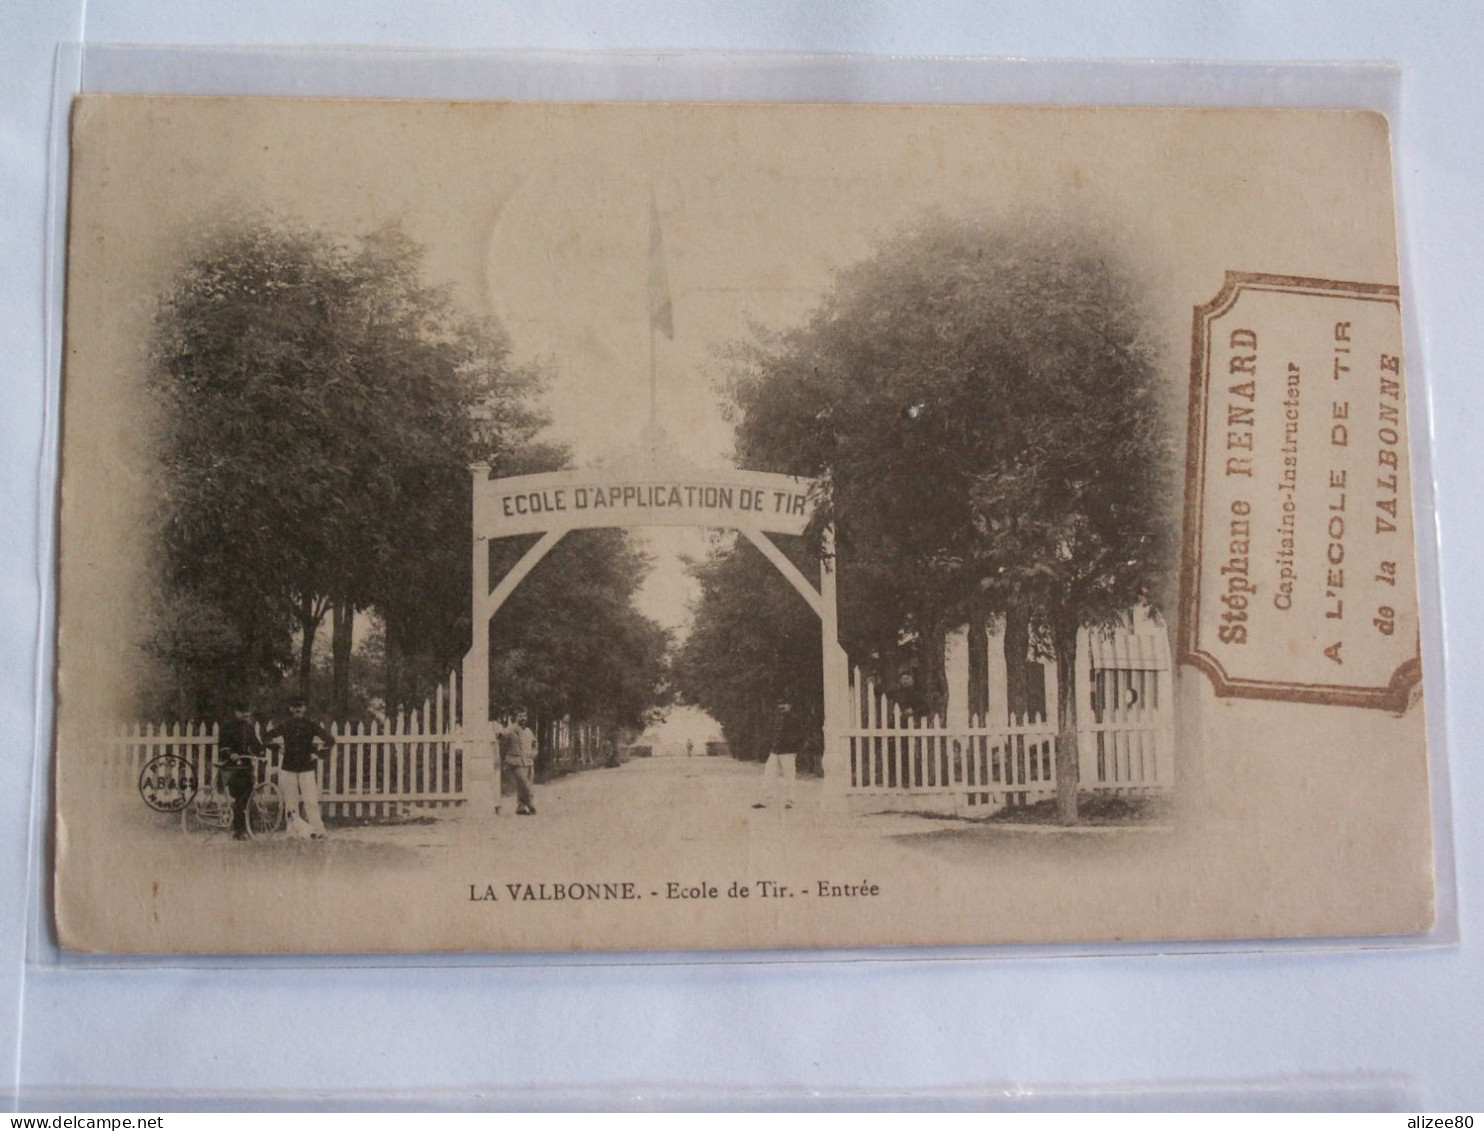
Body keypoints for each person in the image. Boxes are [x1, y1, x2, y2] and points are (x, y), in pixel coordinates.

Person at [265, 695, 335, 840]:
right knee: (291, 802)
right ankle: (292, 832)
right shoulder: (286, 725)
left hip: (306, 767)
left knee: (311, 800)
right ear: (291, 709)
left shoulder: (311, 725)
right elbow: (266, 737)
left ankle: (318, 830)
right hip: (288, 767)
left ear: (304, 708)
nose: (297, 709)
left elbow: (330, 741)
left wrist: (317, 754)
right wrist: (277, 748)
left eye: (300, 706)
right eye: (294, 706)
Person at [217, 700, 265, 840]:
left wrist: (261, 752)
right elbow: (223, 746)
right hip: (231, 767)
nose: (245, 714)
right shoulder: (227, 727)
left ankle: (247, 828)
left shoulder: (249, 728)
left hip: (245, 766)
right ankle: (239, 830)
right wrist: (230, 754)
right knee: (240, 797)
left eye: (247, 711)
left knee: (248, 796)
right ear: (235, 712)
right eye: (242, 711)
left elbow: (255, 744)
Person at [503, 712, 538, 816]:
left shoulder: (528, 731)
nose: (523, 718)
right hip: (516, 761)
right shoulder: (511, 729)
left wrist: (534, 752)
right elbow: (503, 734)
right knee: (524, 783)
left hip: (528, 761)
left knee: (526, 784)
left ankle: (521, 807)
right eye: (520, 716)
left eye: (525, 716)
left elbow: (535, 743)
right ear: (516, 717)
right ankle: (530, 803)